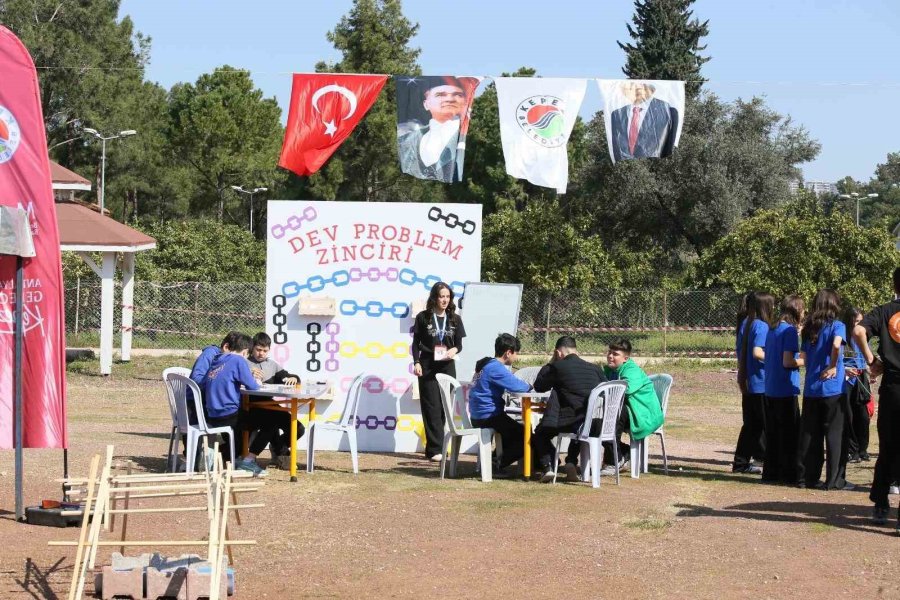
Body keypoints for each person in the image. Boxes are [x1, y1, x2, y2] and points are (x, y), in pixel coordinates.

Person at [853, 267, 900, 527]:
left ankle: (881, 504)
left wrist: (872, 360)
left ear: (895, 285)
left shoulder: (884, 311)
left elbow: (859, 331)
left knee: (887, 447)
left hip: (893, 386)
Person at [796, 289, 851, 490]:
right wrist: (834, 365)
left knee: (811, 434)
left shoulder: (809, 328)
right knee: (835, 434)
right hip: (833, 389)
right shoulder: (838, 326)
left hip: (812, 387)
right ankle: (834, 480)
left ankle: (807, 478)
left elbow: (803, 357)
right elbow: (837, 346)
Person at [531, 336, 606, 483]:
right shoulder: (595, 369)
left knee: (540, 433)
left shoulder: (558, 367)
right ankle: (571, 461)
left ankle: (549, 466)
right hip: (595, 421)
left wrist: (551, 363)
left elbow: (539, 386)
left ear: (559, 353)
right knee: (579, 427)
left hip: (571, 420)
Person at [412, 281, 466, 461]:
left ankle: (437, 448)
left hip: (447, 366)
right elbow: (415, 343)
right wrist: (416, 362)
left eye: (447, 297)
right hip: (427, 366)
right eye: (441, 296)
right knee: (431, 407)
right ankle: (435, 450)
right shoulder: (423, 317)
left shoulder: (455, 319)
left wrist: (454, 350)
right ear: (434, 298)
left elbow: (459, 344)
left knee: (444, 408)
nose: (444, 300)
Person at [467, 333, 532, 474]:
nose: (517, 358)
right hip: (488, 416)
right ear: (508, 353)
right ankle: (496, 462)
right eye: (516, 354)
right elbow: (517, 386)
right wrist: (531, 387)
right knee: (526, 435)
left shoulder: (487, 365)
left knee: (514, 431)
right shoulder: (496, 368)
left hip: (479, 415)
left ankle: (496, 459)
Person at [202, 333, 266, 476]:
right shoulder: (238, 360)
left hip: (212, 415)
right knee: (271, 421)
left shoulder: (217, 360)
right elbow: (253, 387)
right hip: (229, 415)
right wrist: (255, 380)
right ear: (245, 352)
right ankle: (247, 461)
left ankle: (236, 456)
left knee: (251, 420)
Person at [601, 338, 664, 475]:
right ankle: (623, 452)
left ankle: (614, 461)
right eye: (609, 352)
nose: (610, 356)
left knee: (612, 415)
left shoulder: (632, 370)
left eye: (615, 354)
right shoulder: (610, 370)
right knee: (598, 420)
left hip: (643, 414)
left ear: (625, 358)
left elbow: (624, 390)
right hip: (627, 410)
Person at [245, 332, 304, 470]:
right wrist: (250, 375)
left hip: (270, 405)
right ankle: (278, 454)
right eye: (258, 350)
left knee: (299, 428)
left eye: (265, 351)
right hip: (251, 406)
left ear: (269, 350)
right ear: (252, 348)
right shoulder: (244, 363)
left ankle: (277, 448)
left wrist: (294, 378)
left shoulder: (272, 365)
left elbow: (287, 376)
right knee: (270, 424)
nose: (261, 353)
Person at [762, 295, 805, 484]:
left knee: (773, 434)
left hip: (771, 387)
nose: (804, 313)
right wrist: (806, 360)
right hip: (785, 388)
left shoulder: (773, 329)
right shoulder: (789, 332)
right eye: (802, 310)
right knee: (789, 435)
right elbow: (788, 361)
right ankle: (788, 474)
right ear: (796, 311)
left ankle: (771, 473)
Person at [397, 77, 472, 182]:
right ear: (426, 104)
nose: (449, 99)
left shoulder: (469, 135)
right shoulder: (407, 141)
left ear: (464, 102)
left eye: (458, 95)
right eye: (440, 95)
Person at [733, 292, 775, 474]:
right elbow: (757, 353)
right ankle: (772, 466)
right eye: (772, 305)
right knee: (768, 426)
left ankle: (741, 463)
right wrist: (775, 359)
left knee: (751, 426)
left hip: (750, 382)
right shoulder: (762, 326)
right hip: (762, 383)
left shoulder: (746, 324)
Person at [609, 80, 680, 162]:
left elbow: (670, 145)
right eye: (632, 85)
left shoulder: (668, 112)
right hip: (623, 169)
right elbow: (615, 147)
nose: (638, 88)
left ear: (652, 89)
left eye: (643, 84)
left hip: (655, 168)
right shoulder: (617, 114)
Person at [842, 308, 872, 464]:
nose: (858, 324)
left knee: (863, 416)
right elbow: (838, 358)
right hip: (846, 380)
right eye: (856, 321)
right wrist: (845, 369)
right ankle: (852, 451)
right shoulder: (843, 337)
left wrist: (869, 370)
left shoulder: (861, 336)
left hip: (861, 378)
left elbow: (865, 357)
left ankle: (863, 449)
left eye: (861, 321)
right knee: (849, 415)